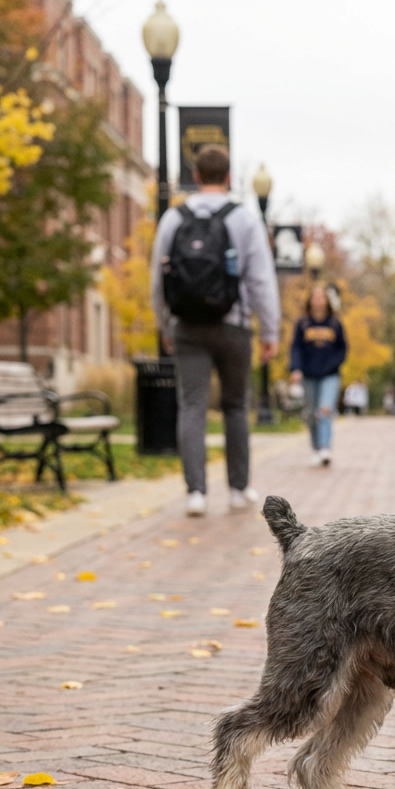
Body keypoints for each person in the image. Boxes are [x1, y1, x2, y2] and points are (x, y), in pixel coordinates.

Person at [150, 144, 280, 518]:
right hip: (233, 326)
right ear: (228, 177)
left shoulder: (174, 218)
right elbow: (260, 278)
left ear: (195, 176)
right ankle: (238, 489)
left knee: (191, 406)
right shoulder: (243, 218)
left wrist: (165, 323)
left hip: (187, 325)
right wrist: (270, 329)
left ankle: (196, 493)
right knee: (236, 405)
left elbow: (158, 279)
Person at [290, 283, 347, 466]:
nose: (318, 300)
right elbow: (295, 348)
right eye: (315, 297)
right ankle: (315, 448)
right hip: (308, 375)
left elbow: (342, 349)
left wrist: (333, 365)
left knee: (325, 410)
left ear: (327, 300)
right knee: (311, 414)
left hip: (330, 375)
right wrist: (296, 368)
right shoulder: (302, 324)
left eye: (322, 297)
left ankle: (325, 447)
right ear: (310, 300)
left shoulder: (335, 324)